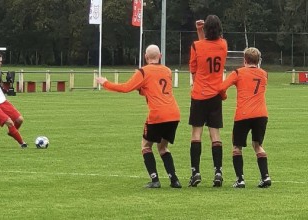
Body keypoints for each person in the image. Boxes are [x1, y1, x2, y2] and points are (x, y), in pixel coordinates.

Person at [96, 44, 182, 188]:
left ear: (145, 57)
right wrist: (141, 89)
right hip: (173, 114)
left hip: (157, 115)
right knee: (163, 148)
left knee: (146, 146)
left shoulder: (143, 72)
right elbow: (153, 90)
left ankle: (155, 180)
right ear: (160, 56)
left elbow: (125, 88)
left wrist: (105, 83)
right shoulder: (167, 70)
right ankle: (174, 180)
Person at [219, 47, 271, 188]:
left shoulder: (238, 73)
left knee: (237, 147)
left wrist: (224, 97)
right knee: (258, 145)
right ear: (258, 60)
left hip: (243, 114)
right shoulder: (264, 74)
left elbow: (221, 88)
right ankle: (265, 177)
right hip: (261, 114)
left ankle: (240, 179)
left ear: (244, 60)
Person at [188, 15, 228, 187]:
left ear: (205, 29)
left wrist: (199, 32)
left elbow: (195, 69)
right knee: (215, 134)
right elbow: (210, 46)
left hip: (199, 94)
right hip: (215, 95)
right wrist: (201, 32)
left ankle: (195, 172)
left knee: (196, 134)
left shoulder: (196, 46)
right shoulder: (223, 45)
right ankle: (218, 171)